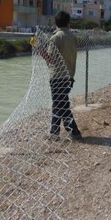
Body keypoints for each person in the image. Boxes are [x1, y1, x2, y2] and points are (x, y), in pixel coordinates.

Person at [36, 11, 82, 141]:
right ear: (69, 23)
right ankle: (54, 132)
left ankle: (74, 132)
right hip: (69, 76)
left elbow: (50, 59)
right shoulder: (72, 36)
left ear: (56, 24)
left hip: (57, 77)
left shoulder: (56, 38)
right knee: (59, 104)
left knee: (61, 105)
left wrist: (38, 48)